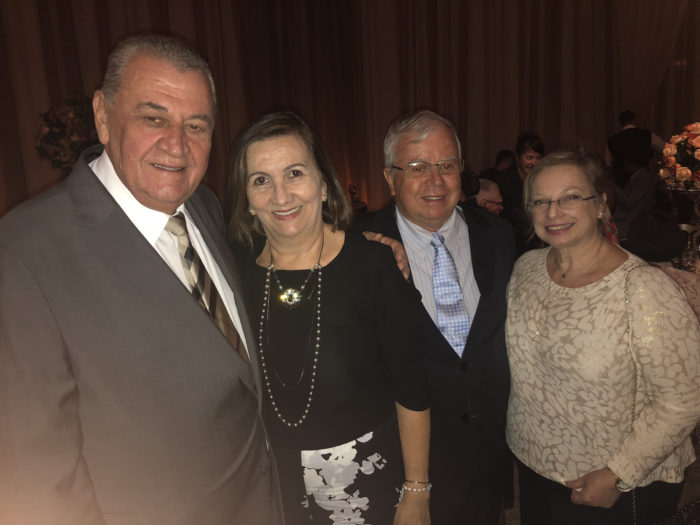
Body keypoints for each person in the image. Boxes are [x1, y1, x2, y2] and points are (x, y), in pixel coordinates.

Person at [0, 35, 282, 525]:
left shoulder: (204, 205)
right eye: (153, 118)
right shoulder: (26, 252)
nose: (177, 145)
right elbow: (37, 475)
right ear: (104, 116)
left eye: (196, 125)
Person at [224, 111, 431, 525]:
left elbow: (413, 388)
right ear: (246, 198)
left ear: (322, 183)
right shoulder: (233, 270)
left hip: (362, 478)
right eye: (261, 180)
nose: (281, 196)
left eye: (295, 173)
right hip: (270, 480)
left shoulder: (372, 265)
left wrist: (417, 491)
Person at [506, 151, 700, 525]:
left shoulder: (642, 289)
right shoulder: (525, 269)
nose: (554, 211)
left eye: (571, 197)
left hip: (613, 484)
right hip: (533, 466)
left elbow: (685, 398)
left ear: (600, 205)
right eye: (541, 201)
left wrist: (618, 473)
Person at [354, 110, 515, 525]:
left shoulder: (498, 236)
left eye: (447, 165)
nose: (435, 181)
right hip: (405, 464)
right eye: (417, 167)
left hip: (487, 454)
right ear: (390, 178)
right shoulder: (358, 250)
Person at [485, 131, 544, 255]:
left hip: (536, 246)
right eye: (529, 158)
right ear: (518, 158)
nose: (534, 162)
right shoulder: (502, 181)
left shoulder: (543, 180)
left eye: (537, 158)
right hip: (509, 246)